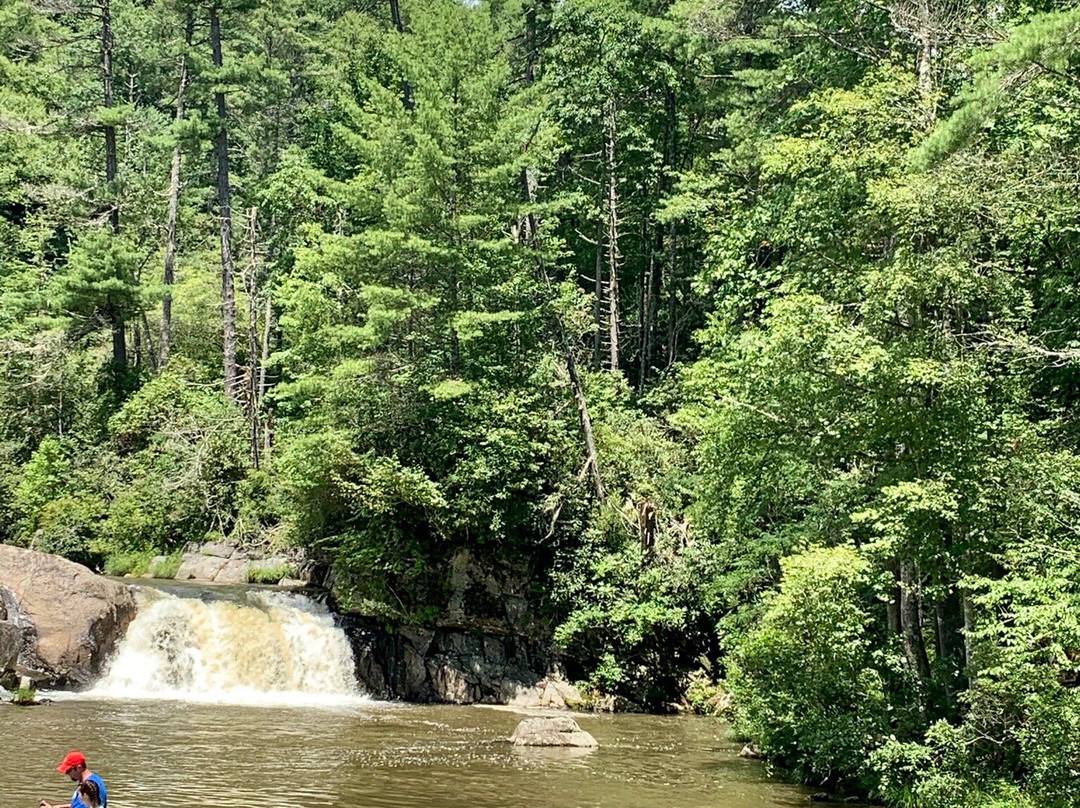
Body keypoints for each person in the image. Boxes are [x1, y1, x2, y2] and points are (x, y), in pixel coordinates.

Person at [39, 751, 108, 808]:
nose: (67, 774)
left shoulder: (87, 787)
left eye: (68, 771)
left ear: (79, 767)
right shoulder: (96, 780)